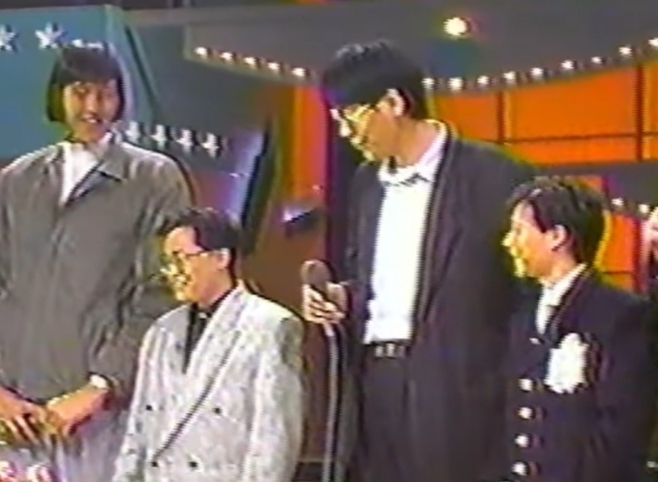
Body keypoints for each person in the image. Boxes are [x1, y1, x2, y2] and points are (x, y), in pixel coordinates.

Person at [0, 45, 193, 482]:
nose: (93, 108)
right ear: (58, 96)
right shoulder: (19, 179)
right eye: (81, 93)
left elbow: (161, 297)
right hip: (14, 420)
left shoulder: (154, 179)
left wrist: (100, 387)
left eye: (106, 94)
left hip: (102, 422)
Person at [302, 39, 536, 482]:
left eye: (351, 116)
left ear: (393, 103)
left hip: (460, 390)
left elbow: (526, 294)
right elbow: (371, 282)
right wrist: (342, 298)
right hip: (375, 383)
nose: (346, 133)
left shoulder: (493, 176)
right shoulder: (366, 184)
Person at [113, 207, 304, 482]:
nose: (172, 272)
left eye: (182, 258)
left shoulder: (269, 326)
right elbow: (137, 430)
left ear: (221, 258)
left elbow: (273, 442)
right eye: (168, 261)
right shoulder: (161, 331)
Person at [496, 177, 658, 482]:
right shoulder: (522, 314)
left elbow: (620, 432)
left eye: (519, 230)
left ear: (556, 237)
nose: (509, 242)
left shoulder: (621, 316)